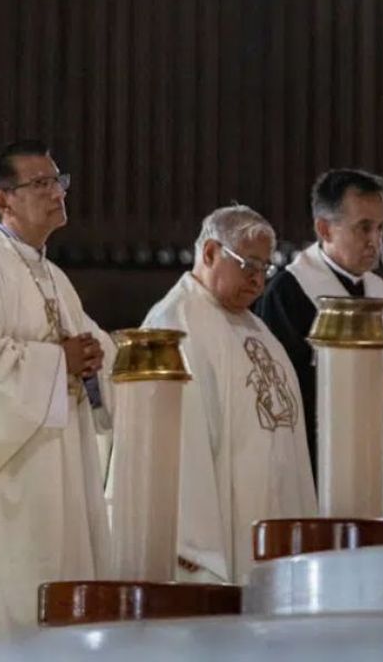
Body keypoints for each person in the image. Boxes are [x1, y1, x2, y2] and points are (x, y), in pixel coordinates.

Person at [0, 141, 113, 634]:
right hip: (16, 472)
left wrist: (94, 359)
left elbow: (90, 345)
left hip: (63, 457)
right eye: (40, 183)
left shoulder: (53, 275)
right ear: (3, 200)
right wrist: (57, 362)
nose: (56, 192)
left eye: (58, 181)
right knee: (20, 596)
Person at [141, 205, 317, 584]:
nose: (258, 281)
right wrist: (194, 542)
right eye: (248, 265)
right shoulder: (175, 322)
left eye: (265, 269)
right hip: (217, 528)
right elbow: (176, 446)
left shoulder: (258, 329)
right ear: (209, 253)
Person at [254, 169, 383, 517]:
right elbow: (285, 401)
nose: (375, 240)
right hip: (319, 477)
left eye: (381, 228)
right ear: (324, 228)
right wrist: (370, 393)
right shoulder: (289, 293)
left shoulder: (381, 294)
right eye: (363, 227)